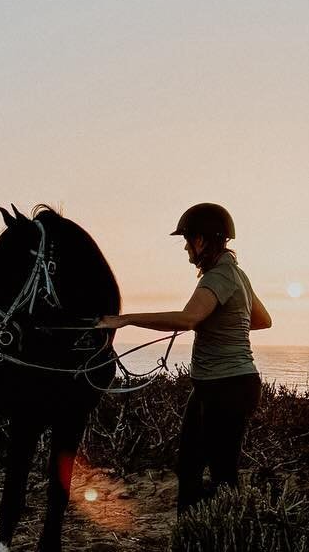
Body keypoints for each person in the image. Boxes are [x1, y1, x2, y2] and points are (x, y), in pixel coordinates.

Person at [100, 203, 272, 513]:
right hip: (219, 385)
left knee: (221, 474)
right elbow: (261, 320)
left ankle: (219, 544)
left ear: (203, 241)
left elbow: (187, 319)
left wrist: (125, 319)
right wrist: (217, 320)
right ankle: (197, 537)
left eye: (188, 238)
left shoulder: (218, 276)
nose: (185, 246)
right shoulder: (237, 275)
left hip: (226, 386)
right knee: (191, 466)